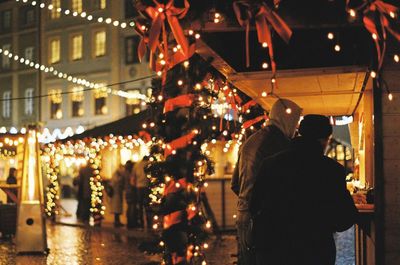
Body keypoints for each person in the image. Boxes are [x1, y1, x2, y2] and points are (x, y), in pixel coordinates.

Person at [250, 114, 358, 265]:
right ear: (323, 140)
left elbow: (254, 205)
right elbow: (344, 219)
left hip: (275, 251)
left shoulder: (270, 164)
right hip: (316, 252)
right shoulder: (332, 170)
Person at [231, 98, 302, 265]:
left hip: (243, 215)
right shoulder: (280, 144)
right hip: (264, 219)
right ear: (287, 119)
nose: (296, 127)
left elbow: (235, 184)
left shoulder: (249, 142)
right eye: (295, 121)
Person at [132, 156, 151, 229]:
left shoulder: (137, 165)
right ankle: (149, 223)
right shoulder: (148, 164)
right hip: (146, 186)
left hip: (138, 187)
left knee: (139, 206)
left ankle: (141, 223)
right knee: (147, 205)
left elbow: (133, 177)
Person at [124, 160, 137, 229]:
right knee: (132, 206)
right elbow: (132, 182)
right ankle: (131, 223)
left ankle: (129, 222)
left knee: (129, 206)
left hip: (127, 191)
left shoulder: (125, 172)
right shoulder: (130, 173)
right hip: (131, 191)